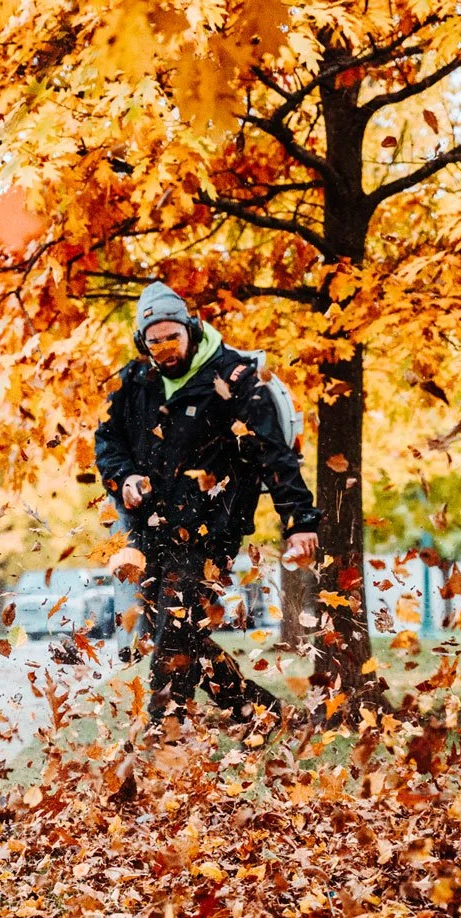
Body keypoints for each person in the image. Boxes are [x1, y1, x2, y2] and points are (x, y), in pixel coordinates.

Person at [95, 282, 321, 727]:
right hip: (148, 528)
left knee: (174, 632)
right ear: (143, 341)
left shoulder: (233, 377)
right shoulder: (133, 381)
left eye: (171, 337)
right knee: (177, 632)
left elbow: (272, 451)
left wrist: (298, 520)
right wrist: (124, 478)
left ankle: (161, 741)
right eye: (154, 341)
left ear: (190, 330)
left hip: (210, 527)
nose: (164, 348)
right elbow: (107, 441)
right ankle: (261, 714)